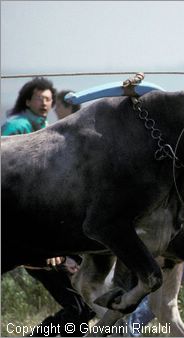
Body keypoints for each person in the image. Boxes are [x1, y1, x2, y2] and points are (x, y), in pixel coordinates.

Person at [2, 78, 95, 336]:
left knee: (84, 308)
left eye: (48, 99)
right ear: (28, 100)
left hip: (46, 234)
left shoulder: (44, 126)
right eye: (40, 98)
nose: (45, 103)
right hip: (27, 235)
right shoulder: (17, 126)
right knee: (80, 309)